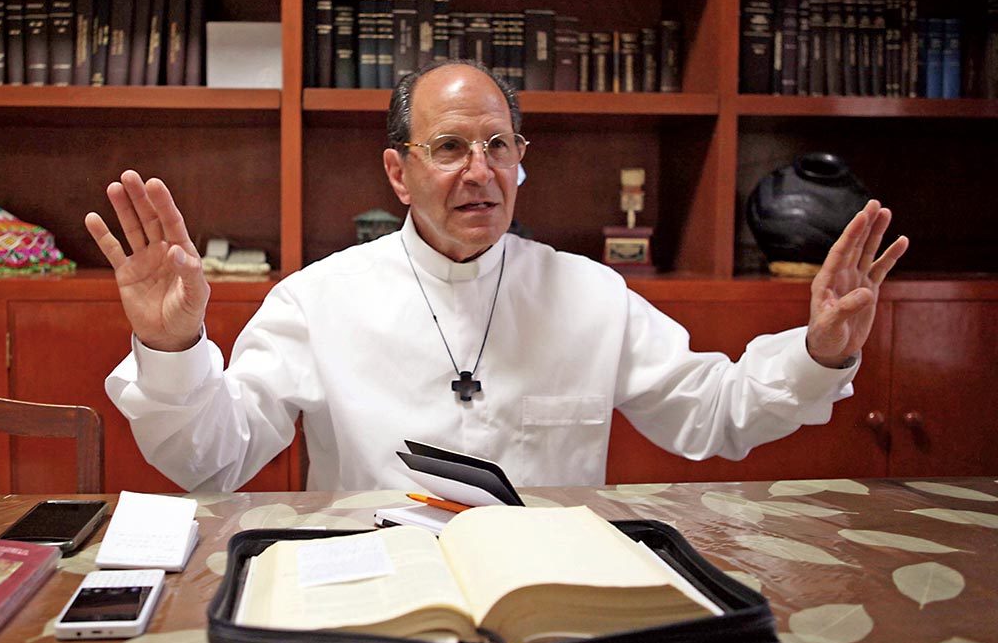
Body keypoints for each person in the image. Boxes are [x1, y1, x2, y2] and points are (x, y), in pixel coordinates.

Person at [85, 60, 908, 493]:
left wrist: (819, 352)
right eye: (448, 148)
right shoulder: (317, 298)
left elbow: (716, 414)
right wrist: (172, 343)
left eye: (499, 146)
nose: (479, 171)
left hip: (549, 605)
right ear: (399, 174)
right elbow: (210, 458)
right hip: (379, 595)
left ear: (521, 163)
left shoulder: (591, 294)